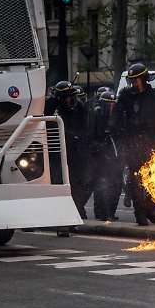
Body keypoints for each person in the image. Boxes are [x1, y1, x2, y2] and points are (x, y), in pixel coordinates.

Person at [115, 63, 155, 226]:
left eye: (136, 80)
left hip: (153, 143)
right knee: (136, 180)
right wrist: (124, 138)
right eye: (132, 80)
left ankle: (150, 210)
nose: (134, 83)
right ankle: (139, 214)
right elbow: (116, 120)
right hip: (133, 144)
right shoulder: (125, 97)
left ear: (143, 79)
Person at [45, 80, 91, 220]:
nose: (71, 100)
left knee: (79, 184)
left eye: (73, 96)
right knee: (59, 184)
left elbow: (85, 129)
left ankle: (76, 211)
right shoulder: (52, 108)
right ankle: (61, 218)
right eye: (67, 97)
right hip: (56, 154)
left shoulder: (80, 108)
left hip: (76, 154)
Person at [91, 91, 123, 222]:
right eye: (108, 105)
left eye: (113, 105)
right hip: (101, 158)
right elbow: (90, 137)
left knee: (116, 185)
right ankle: (101, 213)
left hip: (115, 157)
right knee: (101, 185)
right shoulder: (96, 117)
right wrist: (100, 147)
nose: (111, 108)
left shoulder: (117, 119)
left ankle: (111, 212)